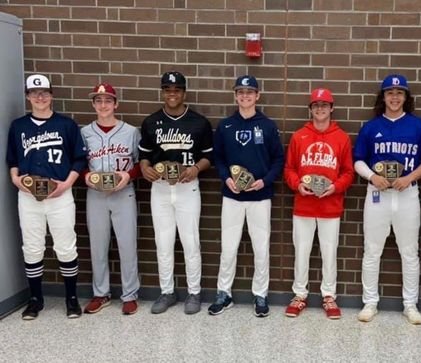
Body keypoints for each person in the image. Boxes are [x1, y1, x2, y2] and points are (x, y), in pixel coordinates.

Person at [353, 74, 421, 324]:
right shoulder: (371, 127)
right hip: (378, 194)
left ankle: (410, 304)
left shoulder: (418, 126)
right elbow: (357, 159)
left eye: (399, 93)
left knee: (409, 252)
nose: (394, 97)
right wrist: (371, 177)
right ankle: (370, 302)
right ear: (383, 97)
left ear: (406, 97)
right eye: (390, 93)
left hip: (407, 194)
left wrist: (410, 177)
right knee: (372, 250)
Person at [6, 74, 87, 320]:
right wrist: (15, 179)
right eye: (34, 92)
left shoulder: (66, 125)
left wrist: (67, 185)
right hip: (29, 196)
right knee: (32, 247)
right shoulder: (19, 126)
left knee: (65, 246)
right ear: (28, 96)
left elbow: (79, 159)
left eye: (44, 92)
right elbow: (12, 159)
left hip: (60, 194)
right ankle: (35, 299)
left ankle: (71, 299)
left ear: (51, 95)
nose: (40, 97)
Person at [138, 71, 213, 315]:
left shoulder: (199, 122)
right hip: (159, 188)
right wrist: (145, 169)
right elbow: (144, 157)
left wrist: (195, 168)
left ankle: (194, 291)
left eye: (177, 90)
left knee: (190, 242)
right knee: (163, 242)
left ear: (184, 92)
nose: (172, 94)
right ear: (163, 92)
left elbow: (208, 157)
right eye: (168, 90)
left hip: (187, 187)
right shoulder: (151, 122)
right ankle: (167, 291)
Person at [209, 75, 284, 317]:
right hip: (232, 197)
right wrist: (226, 178)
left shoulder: (268, 125)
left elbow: (278, 160)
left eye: (249, 92)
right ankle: (224, 293)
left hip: (260, 197)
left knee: (260, 248)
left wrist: (265, 180)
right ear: (235, 95)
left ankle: (260, 294)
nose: (245, 96)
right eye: (240, 92)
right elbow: (218, 158)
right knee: (228, 248)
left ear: (257, 95)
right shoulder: (226, 125)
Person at [283, 88, 354, 319]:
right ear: (310, 109)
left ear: (332, 108)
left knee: (329, 252)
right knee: (301, 252)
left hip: (330, 206)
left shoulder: (341, 137)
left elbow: (348, 172)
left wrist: (335, 187)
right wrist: (297, 185)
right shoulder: (298, 136)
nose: (320, 109)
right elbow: (289, 169)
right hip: (304, 204)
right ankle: (300, 295)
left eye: (324, 105)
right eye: (316, 105)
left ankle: (328, 295)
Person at [80, 83, 141, 315]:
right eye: (98, 100)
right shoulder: (85, 133)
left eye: (108, 100)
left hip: (123, 194)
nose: (103, 105)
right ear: (93, 104)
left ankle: (130, 294)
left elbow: (140, 164)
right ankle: (101, 293)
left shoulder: (131, 131)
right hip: (95, 195)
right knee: (97, 246)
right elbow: (78, 164)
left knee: (127, 245)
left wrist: (128, 175)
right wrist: (87, 177)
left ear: (116, 103)